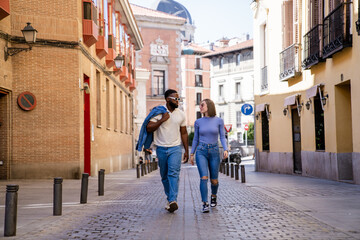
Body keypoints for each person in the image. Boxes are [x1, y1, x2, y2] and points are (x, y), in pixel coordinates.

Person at [146, 89, 189, 213]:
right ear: (167, 100)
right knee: (164, 176)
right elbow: (149, 128)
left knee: (173, 173)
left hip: (175, 148)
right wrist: (161, 120)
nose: (178, 101)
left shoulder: (181, 114)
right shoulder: (159, 112)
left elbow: (184, 133)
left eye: (178, 99)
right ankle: (170, 198)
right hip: (160, 148)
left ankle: (172, 200)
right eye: (175, 99)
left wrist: (186, 150)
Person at [190, 99, 228, 213]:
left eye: (202, 105)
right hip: (201, 151)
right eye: (200, 105)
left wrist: (225, 149)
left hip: (214, 151)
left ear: (209, 106)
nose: (200, 107)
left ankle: (213, 196)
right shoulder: (198, 122)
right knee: (203, 178)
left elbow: (222, 136)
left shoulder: (219, 121)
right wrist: (192, 153)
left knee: (214, 180)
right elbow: (195, 138)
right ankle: (205, 203)